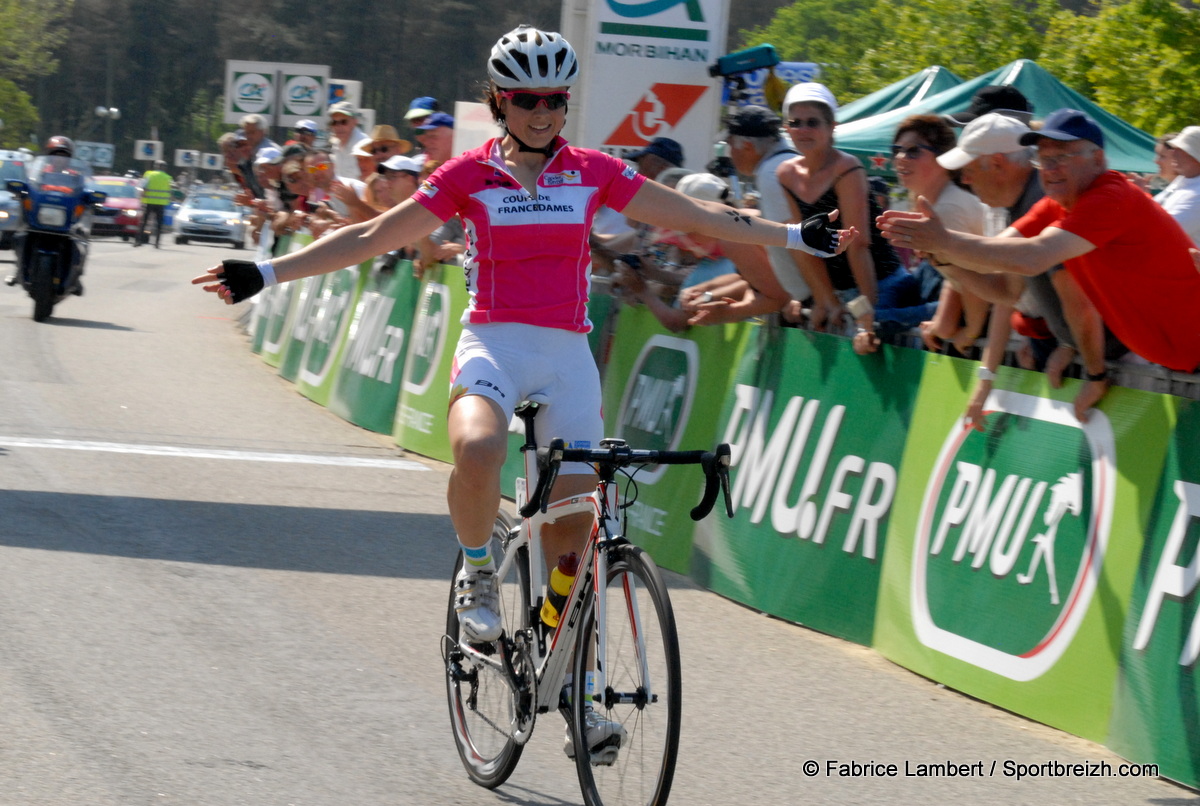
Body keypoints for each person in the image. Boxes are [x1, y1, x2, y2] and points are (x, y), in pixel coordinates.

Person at [192, 24, 854, 761]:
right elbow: (376, 235)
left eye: (554, 99)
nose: (541, 111)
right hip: (494, 347)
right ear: (500, 100)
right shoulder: (469, 176)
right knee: (478, 448)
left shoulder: (594, 171)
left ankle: (579, 687)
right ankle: (479, 572)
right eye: (526, 97)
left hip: (568, 356)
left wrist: (798, 238)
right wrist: (269, 273)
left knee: (578, 529)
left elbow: (700, 216)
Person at [879, 108, 1200, 422]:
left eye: (1061, 157)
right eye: (1043, 159)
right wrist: (938, 254)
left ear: (1098, 160)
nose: (1050, 168)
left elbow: (1033, 258)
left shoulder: (1110, 196)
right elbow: (997, 275)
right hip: (1174, 365)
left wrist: (943, 242)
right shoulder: (1055, 204)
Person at [776, 82, 902, 337]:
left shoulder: (847, 168)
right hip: (842, 292)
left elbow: (858, 244)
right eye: (795, 123)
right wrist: (826, 300)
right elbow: (803, 243)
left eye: (812, 122)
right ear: (787, 128)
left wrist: (866, 311)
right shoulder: (786, 173)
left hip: (882, 285)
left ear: (832, 126)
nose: (803, 130)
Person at [891, 114, 988, 354]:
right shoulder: (943, 202)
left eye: (913, 151)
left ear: (942, 158)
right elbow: (956, 277)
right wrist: (944, 326)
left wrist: (971, 332)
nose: (901, 157)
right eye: (897, 150)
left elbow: (973, 278)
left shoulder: (948, 209)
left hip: (991, 326)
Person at [723, 105, 809, 317]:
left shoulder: (772, 174)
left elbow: (799, 239)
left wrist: (814, 297)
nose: (730, 154)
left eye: (729, 145)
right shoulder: (786, 163)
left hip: (815, 303)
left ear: (748, 147)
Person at [1155, 126, 1200, 244]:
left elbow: (1161, 231)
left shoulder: (1198, 192)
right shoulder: (1183, 180)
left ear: (1195, 155)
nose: (1173, 152)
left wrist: (1137, 195)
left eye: (1180, 148)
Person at [328, 101, 370, 179]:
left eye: (343, 122)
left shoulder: (364, 145)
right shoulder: (336, 144)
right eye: (334, 122)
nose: (338, 126)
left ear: (355, 122)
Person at [136, 159, 172, 249]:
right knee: (159, 224)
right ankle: (157, 243)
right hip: (161, 204)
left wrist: (141, 199)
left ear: (156, 167)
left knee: (143, 222)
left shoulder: (149, 175)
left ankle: (138, 241)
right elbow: (171, 190)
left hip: (149, 202)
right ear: (164, 168)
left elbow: (142, 187)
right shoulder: (168, 177)